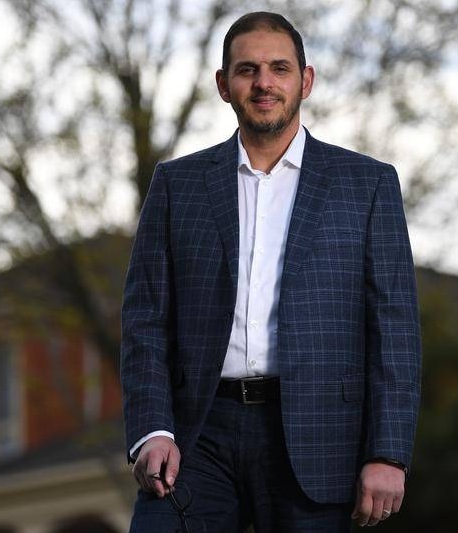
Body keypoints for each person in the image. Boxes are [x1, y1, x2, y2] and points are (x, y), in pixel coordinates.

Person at [121, 11, 421, 533]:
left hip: (319, 435)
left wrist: (388, 454)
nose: (264, 83)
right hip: (197, 436)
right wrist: (152, 431)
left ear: (305, 80)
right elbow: (144, 318)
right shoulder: (176, 185)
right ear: (223, 85)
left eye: (279, 68)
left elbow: (395, 329)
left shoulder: (367, 185)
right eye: (247, 69)